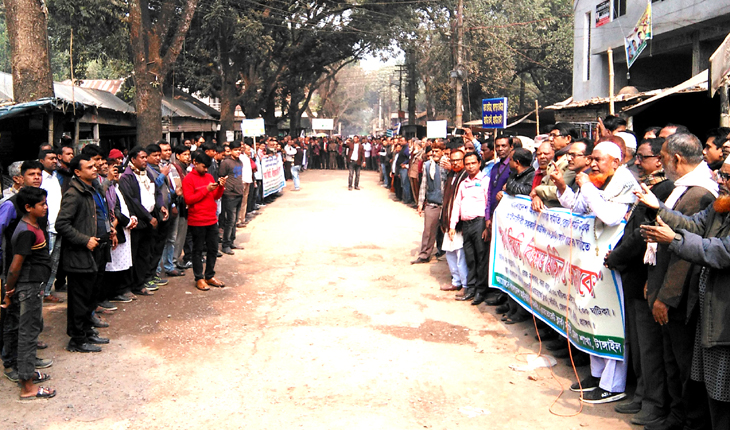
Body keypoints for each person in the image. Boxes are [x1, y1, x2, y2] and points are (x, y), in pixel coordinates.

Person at [636, 156, 730, 429]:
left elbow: (720, 251)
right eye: (720, 175)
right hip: (710, 315)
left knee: (722, 394)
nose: (720, 182)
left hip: (724, 319)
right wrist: (659, 208)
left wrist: (673, 240)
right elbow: (692, 225)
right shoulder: (719, 207)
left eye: (726, 177)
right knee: (711, 389)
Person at [554, 141, 640, 404]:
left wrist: (588, 188)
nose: (593, 164)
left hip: (614, 260)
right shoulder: (597, 179)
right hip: (592, 260)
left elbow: (610, 216)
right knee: (592, 314)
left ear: (616, 161)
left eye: (598, 160)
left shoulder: (626, 183)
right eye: (591, 158)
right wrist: (561, 186)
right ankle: (597, 374)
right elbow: (578, 208)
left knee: (611, 319)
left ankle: (613, 385)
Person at [604, 137, 674, 426]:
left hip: (645, 274)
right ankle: (642, 393)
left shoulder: (663, 189)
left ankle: (654, 401)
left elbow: (643, 233)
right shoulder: (648, 186)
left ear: (659, 160)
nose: (637, 162)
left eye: (643, 157)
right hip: (633, 275)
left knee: (649, 346)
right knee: (637, 340)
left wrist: (616, 256)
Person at [2, 186, 56, 399]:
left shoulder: (32, 225)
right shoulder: (25, 231)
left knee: (23, 331)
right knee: (27, 334)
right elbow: (15, 267)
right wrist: (8, 293)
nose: (45, 207)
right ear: (28, 207)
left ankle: (26, 373)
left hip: (31, 286)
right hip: (28, 288)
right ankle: (28, 387)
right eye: (41, 204)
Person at [56, 154, 113, 353]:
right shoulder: (74, 193)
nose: (95, 168)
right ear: (78, 172)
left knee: (91, 295)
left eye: (94, 165)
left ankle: (87, 331)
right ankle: (77, 339)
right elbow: (61, 224)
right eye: (89, 167)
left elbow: (99, 215)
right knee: (79, 298)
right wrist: (84, 239)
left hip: (98, 250)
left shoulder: (94, 188)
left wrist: (108, 230)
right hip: (81, 254)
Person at [449, 152, 490, 306]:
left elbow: (488, 204)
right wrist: (452, 225)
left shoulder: (485, 181)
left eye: (473, 163)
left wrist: (487, 225)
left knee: (481, 258)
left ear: (479, 163)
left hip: (479, 223)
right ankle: (470, 288)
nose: (470, 166)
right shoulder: (463, 183)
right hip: (466, 225)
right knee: (470, 258)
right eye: (468, 164)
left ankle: (480, 290)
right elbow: (457, 204)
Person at [183, 153, 226, 291]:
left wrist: (220, 187)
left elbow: (215, 196)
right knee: (198, 250)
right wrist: (205, 189)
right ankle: (199, 278)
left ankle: (209, 275)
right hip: (197, 220)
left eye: (208, 167)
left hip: (211, 218)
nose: (206, 170)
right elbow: (189, 199)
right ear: (195, 163)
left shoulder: (208, 177)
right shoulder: (188, 179)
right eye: (204, 166)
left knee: (213, 249)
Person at [413, 143, 446, 264]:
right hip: (433, 202)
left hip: (446, 204)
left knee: (445, 231)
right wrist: (420, 203)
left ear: (443, 151)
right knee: (428, 230)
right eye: (433, 151)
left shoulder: (447, 165)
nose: (434, 153)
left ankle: (443, 252)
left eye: (437, 151)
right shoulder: (428, 165)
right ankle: (424, 255)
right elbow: (424, 184)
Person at [38, 150, 64, 303]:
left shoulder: (55, 177)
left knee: (54, 262)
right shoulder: (40, 179)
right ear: (42, 160)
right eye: (51, 159)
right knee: (45, 262)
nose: (55, 161)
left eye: (55, 158)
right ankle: (39, 293)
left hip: (58, 226)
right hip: (47, 228)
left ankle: (47, 291)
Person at [219, 141, 245, 254]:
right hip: (229, 195)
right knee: (229, 220)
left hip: (239, 193)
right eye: (236, 150)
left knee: (234, 221)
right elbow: (221, 177)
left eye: (239, 149)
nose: (238, 152)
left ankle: (231, 241)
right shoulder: (226, 163)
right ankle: (225, 244)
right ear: (231, 150)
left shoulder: (240, 162)